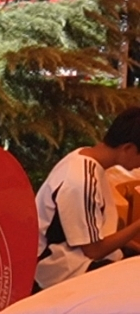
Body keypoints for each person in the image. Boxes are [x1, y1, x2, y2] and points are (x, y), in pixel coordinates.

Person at [35, 107, 140, 291]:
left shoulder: (86, 158)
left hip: (78, 255)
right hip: (59, 268)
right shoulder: (81, 180)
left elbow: (99, 235)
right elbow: (94, 250)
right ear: (128, 148)